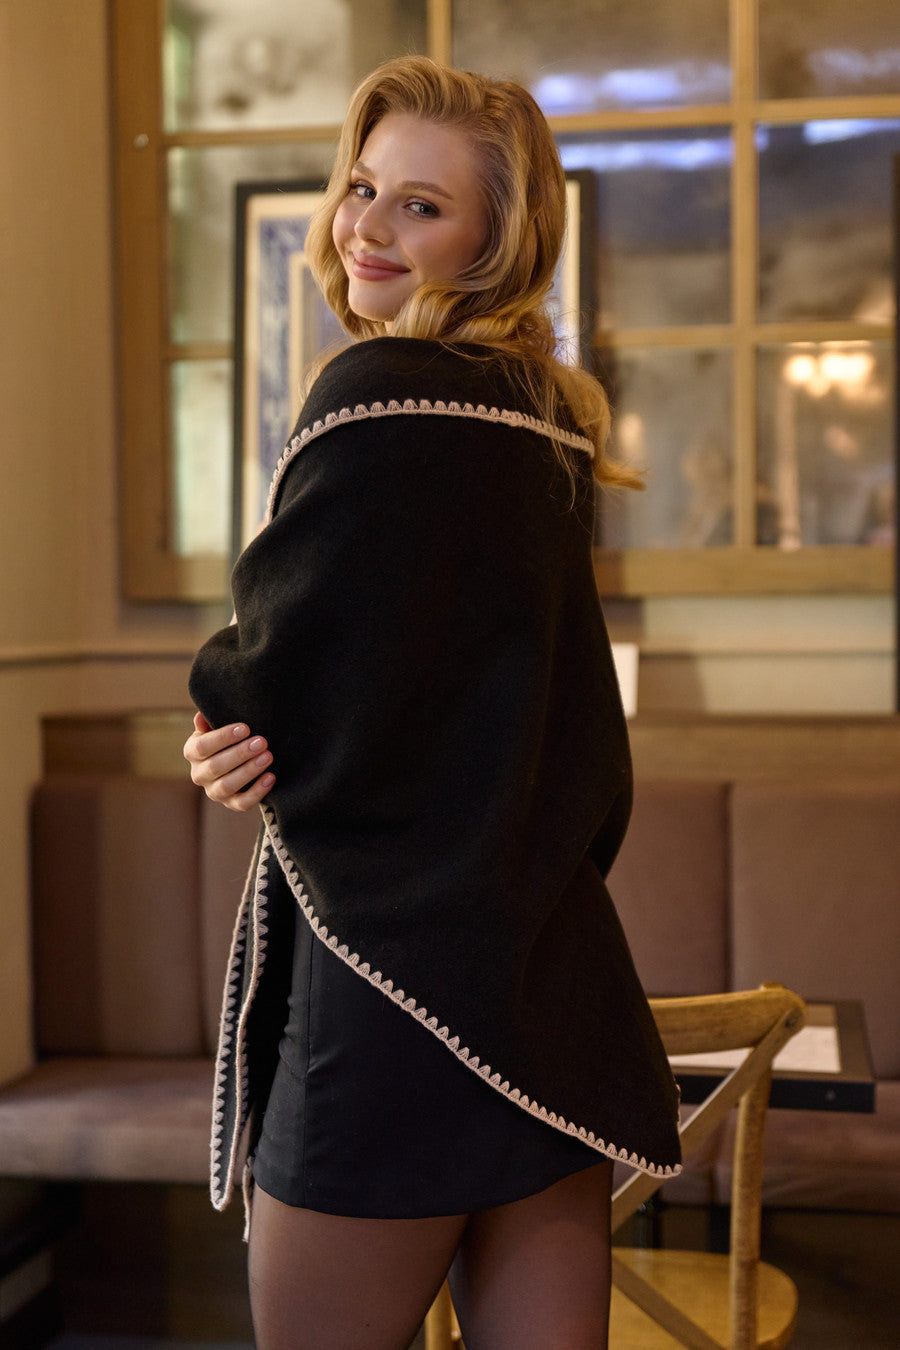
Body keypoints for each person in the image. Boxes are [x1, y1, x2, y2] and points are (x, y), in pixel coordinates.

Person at [184, 55, 681, 1350]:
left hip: (386, 998)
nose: (368, 227)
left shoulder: (371, 395)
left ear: (495, 243)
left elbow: (260, 682)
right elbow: (554, 732)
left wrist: (229, 720)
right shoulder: (550, 423)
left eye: (421, 206)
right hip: (545, 990)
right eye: (363, 189)